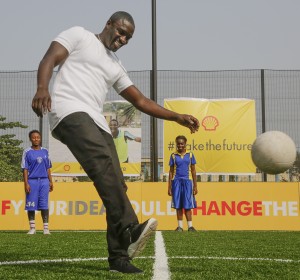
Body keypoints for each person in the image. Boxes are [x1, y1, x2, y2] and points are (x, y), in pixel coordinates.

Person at [31, 11, 199, 274]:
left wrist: (175, 116)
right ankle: (130, 227)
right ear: (108, 24)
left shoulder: (115, 64)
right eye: (121, 32)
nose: (123, 39)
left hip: (96, 121)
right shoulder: (80, 35)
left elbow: (140, 101)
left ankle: (118, 258)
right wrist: (42, 87)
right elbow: (50, 58)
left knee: (117, 184)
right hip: (68, 111)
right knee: (102, 164)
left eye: (128, 37)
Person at [21, 130, 54, 235]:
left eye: (38, 137)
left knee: (44, 204)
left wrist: (51, 181)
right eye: (34, 137)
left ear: (40, 138)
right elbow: (25, 169)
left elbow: (48, 167)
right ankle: (32, 228)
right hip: (32, 181)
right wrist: (26, 183)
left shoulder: (45, 151)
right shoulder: (27, 152)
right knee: (31, 204)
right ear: (30, 139)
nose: (36, 139)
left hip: (44, 181)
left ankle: (46, 228)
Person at [168, 135, 198, 232]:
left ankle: (190, 226)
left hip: (187, 182)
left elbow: (193, 171)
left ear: (185, 144)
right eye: (178, 144)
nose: (180, 145)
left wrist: (195, 186)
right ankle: (180, 226)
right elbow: (171, 172)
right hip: (176, 182)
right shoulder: (173, 155)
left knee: (188, 204)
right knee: (178, 204)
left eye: (182, 143)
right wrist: (169, 187)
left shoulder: (190, 155)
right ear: (176, 144)